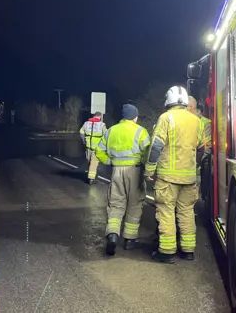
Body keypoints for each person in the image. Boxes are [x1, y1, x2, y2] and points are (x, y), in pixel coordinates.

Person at [145, 86, 203, 263]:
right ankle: (188, 250)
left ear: (168, 100)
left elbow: (156, 147)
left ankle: (167, 252)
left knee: (166, 212)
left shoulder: (166, 118)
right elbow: (201, 149)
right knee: (186, 211)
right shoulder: (196, 121)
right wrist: (195, 167)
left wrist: (149, 169)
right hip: (189, 177)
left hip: (168, 178)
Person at [96, 104, 151, 255]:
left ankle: (113, 235)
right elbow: (148, 152)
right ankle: (130, 240)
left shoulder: (111, 131)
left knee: (115, 204)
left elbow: (99, 150)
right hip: (134, 171)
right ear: (135, 117)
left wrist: (109, 161)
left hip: (116, 171)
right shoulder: (140, 131)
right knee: (135, 204)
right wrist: (148, 168)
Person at [79, 111, 107, 184]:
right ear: (100, 116)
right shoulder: (102, 125)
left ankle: (91, 174)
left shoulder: (86, 123)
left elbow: (81, 132)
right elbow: (106, 135)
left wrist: (84, 140)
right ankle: (91, 178)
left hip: (88, 146)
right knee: (93, 162)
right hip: (97, 147)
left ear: (94, 116)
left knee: (89, 161)